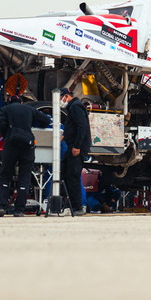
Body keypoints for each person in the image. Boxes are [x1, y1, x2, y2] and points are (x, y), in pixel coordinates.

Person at [0, 95, 52, 217]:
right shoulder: (29, 109)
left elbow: (1, 126)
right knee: (24, 177)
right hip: (27, 145)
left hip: (11, 145)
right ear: (21, 102)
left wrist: (8, 135)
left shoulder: (5, 110)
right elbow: (46, 121)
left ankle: (1, 206)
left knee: (5, 175)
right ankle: (19, 209)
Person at [60, 87, 91, 215]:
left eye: (60, 98)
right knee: (65, 174)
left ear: (66, 96)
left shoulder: (75, 107)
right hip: (72, 146)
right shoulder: (72, 107)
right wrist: (64, 136)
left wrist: (77, 146)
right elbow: (73, 127)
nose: (60, 101)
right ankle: (71, 205)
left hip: (76, 148)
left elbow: (81, 127)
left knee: (73, 176)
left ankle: (77, 207)